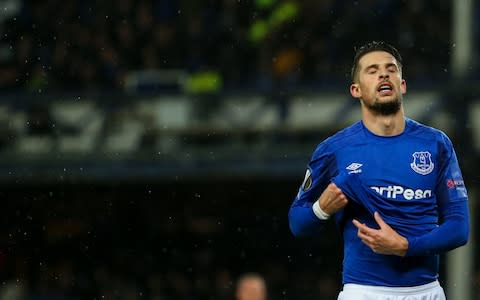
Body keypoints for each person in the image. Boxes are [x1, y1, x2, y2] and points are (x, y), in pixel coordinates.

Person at [288, 41, 470, 300]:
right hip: (364, 292)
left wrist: (405, 247)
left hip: (427, 291)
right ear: (356, 90)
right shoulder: (334, 150)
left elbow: (459, 228)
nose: (383, 74)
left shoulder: (436, 144)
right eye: (372, 70)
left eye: (391, 69)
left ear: (402, 84)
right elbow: (297, 223)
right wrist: (322, 209)